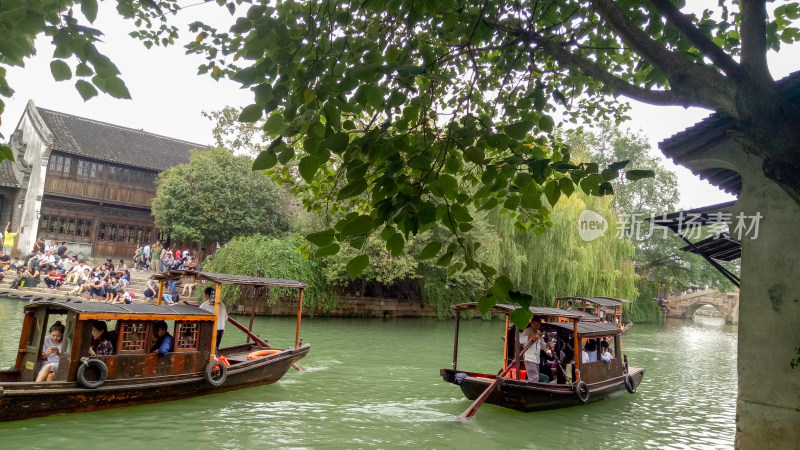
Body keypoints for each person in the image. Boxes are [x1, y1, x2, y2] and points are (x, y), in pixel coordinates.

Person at [199, 287, 226, 351]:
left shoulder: (205, 305)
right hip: (221, 328)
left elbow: (199, 317)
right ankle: (215, 358)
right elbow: (225, 317)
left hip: (213, 329)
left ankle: (215, 360)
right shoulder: (222, 304)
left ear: (207, 295)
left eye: (204, 295)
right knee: (216, 347)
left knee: (212, 348)